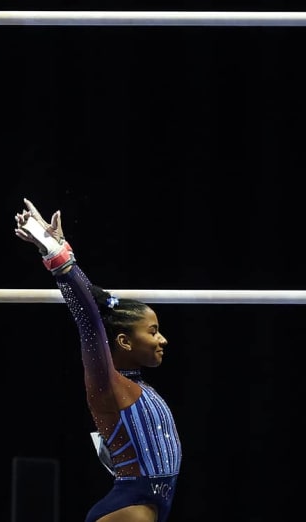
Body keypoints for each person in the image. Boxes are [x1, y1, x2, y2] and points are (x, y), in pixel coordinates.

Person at [14, 198, 182, 522]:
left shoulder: (135, 386)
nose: (163, 339)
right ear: (124, 341)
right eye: (154, 331)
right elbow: (89, 319)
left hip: (144, 504)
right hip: (132, 510)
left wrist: (60, 247)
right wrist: (55, 258)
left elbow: (98, 302)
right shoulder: (108, 384)